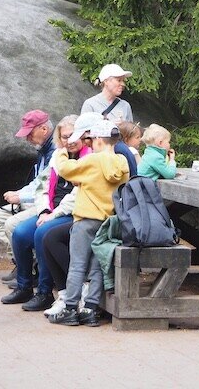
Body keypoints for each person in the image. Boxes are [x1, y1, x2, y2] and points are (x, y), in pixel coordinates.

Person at [40, 113, 139, 318]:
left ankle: (70, 309)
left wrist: (60, 153)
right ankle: (90, 309)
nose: (91, 144)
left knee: (77, 266)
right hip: (107, 222)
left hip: (85, 220)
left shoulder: (93, 160)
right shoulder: (122, 162)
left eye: (92, 140)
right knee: (96, 268)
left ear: (99, 140)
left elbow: (66, 170)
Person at [1, 115, 89, 311]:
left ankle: (45, 292)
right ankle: (24, 287)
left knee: (42, 233)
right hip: (50, 211)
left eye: (73, 135)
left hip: (72, 213)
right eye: (65, 136)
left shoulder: (88, 157)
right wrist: (44, 210)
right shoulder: (58, 156)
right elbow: (42, 186)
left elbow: (77, 195)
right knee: (20, 232)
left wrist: (54, 214)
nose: (69, 140)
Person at [0, 110, 55, 282]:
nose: (27, 138)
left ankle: (28, 270)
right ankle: (22, 261)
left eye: (30, 133)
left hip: (46, 204)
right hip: (34, 199)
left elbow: (46, 186)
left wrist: (21, 197)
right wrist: (19, 193)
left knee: (11, 225)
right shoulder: (43, 149)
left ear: (44, 129)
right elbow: (39, 180)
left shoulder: (55, 151)